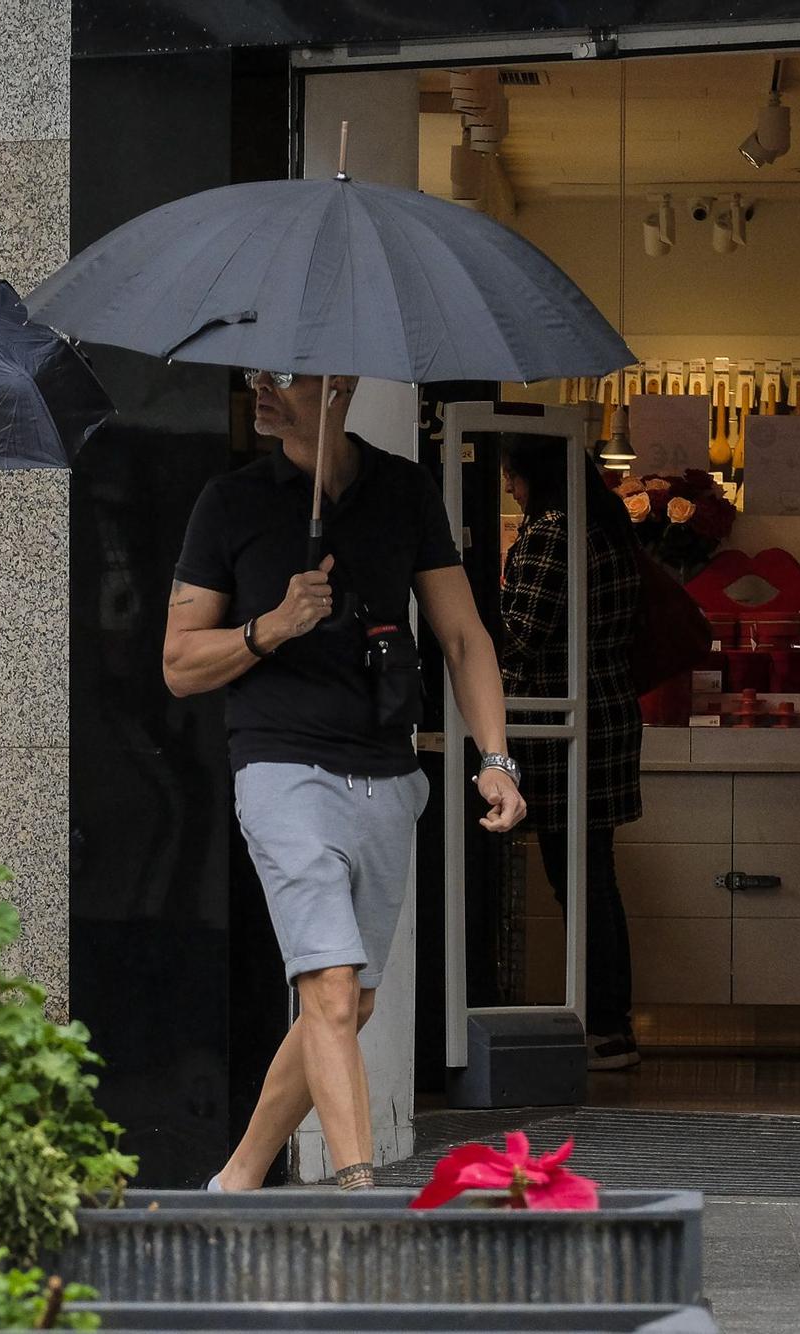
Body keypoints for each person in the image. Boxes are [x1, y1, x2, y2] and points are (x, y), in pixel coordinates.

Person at [163, 370, 526, 1193]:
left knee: (348, 1004)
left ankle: (238, 1179)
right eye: (259, 369)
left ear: (341, 385)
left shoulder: (403, 489)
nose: (261, 386)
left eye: (287, 374)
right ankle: (360, 1197)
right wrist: (272, 627)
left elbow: (464, 637)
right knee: (327, 984)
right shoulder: (232, 502)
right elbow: (179, 664)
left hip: (388, 775)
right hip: (281, 767)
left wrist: (496, 759)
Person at [499, 436, 643, 1072]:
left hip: (562, 726)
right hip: (609, 710)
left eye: (513, 475)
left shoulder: (552, 531)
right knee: (593, 874)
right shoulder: (606, 526)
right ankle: (611, 1023)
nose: (509, 488)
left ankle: (607, 1027)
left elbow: (521, 635)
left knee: (578, 879)